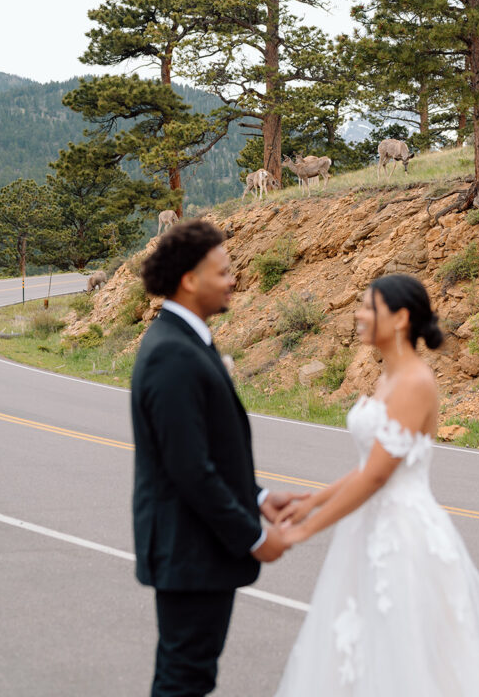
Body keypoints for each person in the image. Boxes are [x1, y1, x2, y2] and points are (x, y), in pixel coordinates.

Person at [274, 273, 479, 696]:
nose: (358, 315)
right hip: (370, 527)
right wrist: (311, 501)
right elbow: (370, 463)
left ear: (399, 318)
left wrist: (305, 529)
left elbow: (379, 476)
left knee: (400, 654)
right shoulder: (386, 380)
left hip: (402, 533)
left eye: (367, 307)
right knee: (361, 648)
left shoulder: (415, 383)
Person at [131, 219, 306, 697]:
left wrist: (259, 496)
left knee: (191, 674)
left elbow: (204, 451)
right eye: (224, 272)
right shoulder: (171, 353)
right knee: (184, 678)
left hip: (196, 548)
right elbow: (189, 468)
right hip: (189, 548)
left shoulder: (186, 339)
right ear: (189, 279)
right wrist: (253, 536)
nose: (234, 279)